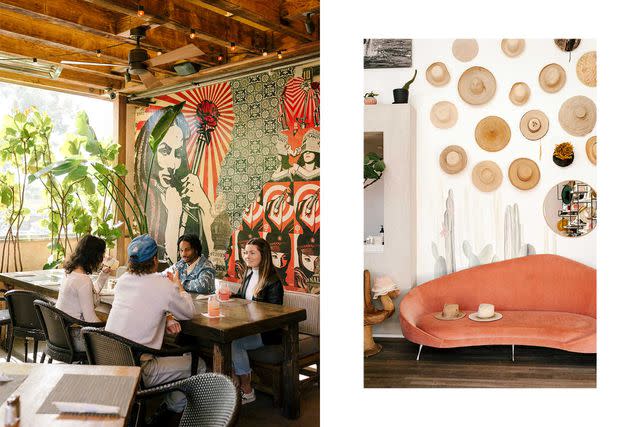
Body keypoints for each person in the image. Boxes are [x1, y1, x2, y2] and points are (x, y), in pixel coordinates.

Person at [106, 234, 206, 416]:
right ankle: (171, 408)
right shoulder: (162, 285)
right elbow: (188, 312)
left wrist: (165, 317)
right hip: (140, 369)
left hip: (109, 361)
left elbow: (140, 307)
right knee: (198, 364)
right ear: (154, 259)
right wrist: (179, 286)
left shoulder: (122, 281)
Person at [135, 111, 215, 263]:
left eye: (177, 154)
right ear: (147, 154)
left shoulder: (183, 195)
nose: (172, 163)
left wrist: (204, 206)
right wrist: (173, 215)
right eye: (165, 151)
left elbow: (213, 258)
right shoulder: (145, 200)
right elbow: (171, 265)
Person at [229, 237, 284, 404]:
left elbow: (273, 314)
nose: (247, 256)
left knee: (235, 343)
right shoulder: (249, 273)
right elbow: (243, 298)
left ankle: (247, 389)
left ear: (264, 255)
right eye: (245, 252)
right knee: (225, 339)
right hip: (249, 327)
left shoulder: (273, 281)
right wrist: (230, 296)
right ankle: (233, 385)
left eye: (252, 253)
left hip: (266, 332)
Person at [56, 235, 112, 350]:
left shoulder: (70, 273)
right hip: (75, 338)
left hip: (60, 335)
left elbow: (88, 294)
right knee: (117, 343)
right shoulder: (83, 280)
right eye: (102, 254)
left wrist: (102, 277)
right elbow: (90, 320)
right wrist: (109, 331)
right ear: (94, 256)